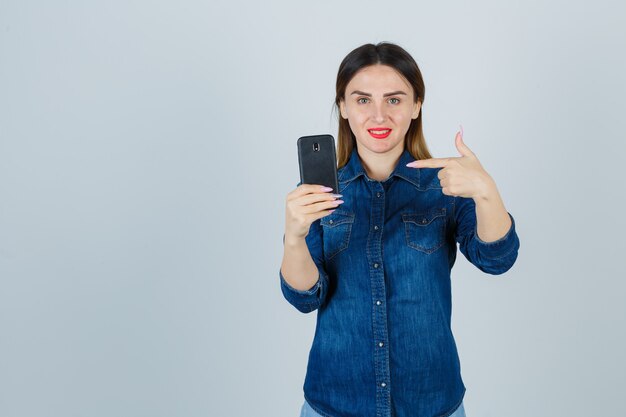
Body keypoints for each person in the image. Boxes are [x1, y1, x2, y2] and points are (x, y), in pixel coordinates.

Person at [279, 42, 520, 417]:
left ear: (416, 106)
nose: (379, 115)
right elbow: (305, 298)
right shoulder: (315, 198)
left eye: (394, 100)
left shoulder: (447, 187)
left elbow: (497, 258)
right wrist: (294, 237)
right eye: (362, 100)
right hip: (335, 403)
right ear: (343, 107)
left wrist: (488, 194)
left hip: (430, 402)